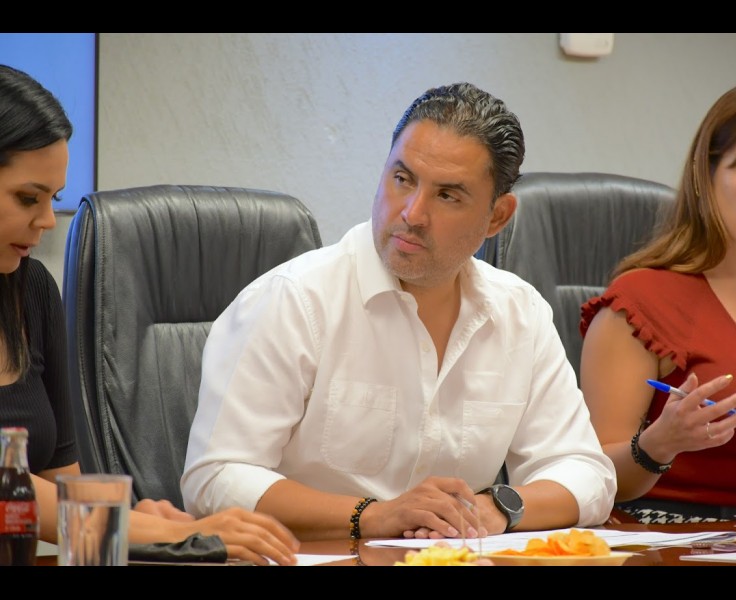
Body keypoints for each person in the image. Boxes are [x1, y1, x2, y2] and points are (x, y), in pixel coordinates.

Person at [181, 81, 617, 541]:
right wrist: (372, 515)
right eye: (403, 179)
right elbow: (216, 478)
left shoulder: (520, 313)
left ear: (496, 217)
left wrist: (496, 508)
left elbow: (586, 472)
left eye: (447, 196)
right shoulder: (293, 299)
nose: (412, 213)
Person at [0, 64, 299, 565]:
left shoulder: (31, 289)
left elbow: (62, 485)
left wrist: (144, 519)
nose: (48, 220)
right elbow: (11, 492)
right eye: (27, 198)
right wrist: (175, 533)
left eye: (53, 199)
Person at [579, 79, 736, 523]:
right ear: (705, 175)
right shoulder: (639, 302)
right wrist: (659, 443)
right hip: (677, 537)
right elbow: (590, 475)